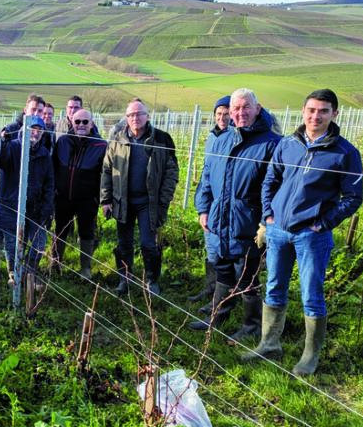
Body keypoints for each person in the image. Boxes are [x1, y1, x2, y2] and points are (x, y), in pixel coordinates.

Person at [244, 89, 363, 375]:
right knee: (274, 286)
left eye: (323, 111)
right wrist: (268, 216)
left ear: (335, 114)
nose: (316, 116)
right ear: (303, 111)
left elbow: (353, 198)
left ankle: (309, 358)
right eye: (311, 110)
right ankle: (269, 344)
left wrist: (322, 224)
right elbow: (271, 179)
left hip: (312, 236)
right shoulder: (288, 143)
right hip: (278, 231)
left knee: (312, 294)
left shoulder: (345, 153)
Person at [189, 89, 281, 342]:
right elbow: (207, 177)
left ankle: (251, 327)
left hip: (250, 222)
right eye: (235, 108)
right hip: (220, 218)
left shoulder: (272, 144)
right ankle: (218, 316)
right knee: (223, 269)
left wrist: (267, 221)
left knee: (247, 275)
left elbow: (276, 188)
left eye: (245, 107)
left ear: (257, 108)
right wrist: (204, 208)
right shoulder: (220, 140)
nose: (240, 113)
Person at [101, 98, 179, 296]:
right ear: (126, 118)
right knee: (124, 243)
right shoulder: (117, 139)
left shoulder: (162, 139)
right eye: (131, 115)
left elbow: (171, 172)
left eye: (139, 114)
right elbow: (107, 171)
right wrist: (106, 200)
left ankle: (152, 280)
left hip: (149, 203)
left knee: (147, 243)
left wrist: (164, 198)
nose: (135, 118)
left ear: (147, 116)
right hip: (122, 201)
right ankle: (124, 279)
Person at [0, 115, 54, 288]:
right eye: (32, 128)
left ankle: (28, 272)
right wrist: (2, 142)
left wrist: (48, 209)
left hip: (35, 207)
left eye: (39, 130)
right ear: (24, 129)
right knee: (11, 242)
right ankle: (14, 274)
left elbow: (49, 184)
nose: (36, 132)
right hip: (11, 205)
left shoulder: (44, 154)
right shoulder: (12, 147)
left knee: (39, 241)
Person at [51, 108, 107, 280]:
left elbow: (106, 174)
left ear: (92, 123)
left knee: (86, 232)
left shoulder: (101, 145)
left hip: (87, 198)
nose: (81, 125)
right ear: (72, 123)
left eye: (85, 122)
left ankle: (85, 268)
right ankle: (55, 262)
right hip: (63, 196)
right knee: (61, 230)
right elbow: (53, 166)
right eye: (77, 122)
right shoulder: (63, 141)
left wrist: (103, 198)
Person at [188, 96, 231, 310]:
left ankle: (224, 297)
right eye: (218, 114)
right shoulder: (213, 138)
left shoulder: (235, 138)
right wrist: (203, 206)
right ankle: (210, 288)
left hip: (228, 207)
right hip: (212, 204)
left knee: (225, 251)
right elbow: (206, 173)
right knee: (211, 248)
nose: (222, 118)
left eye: (226, 113)